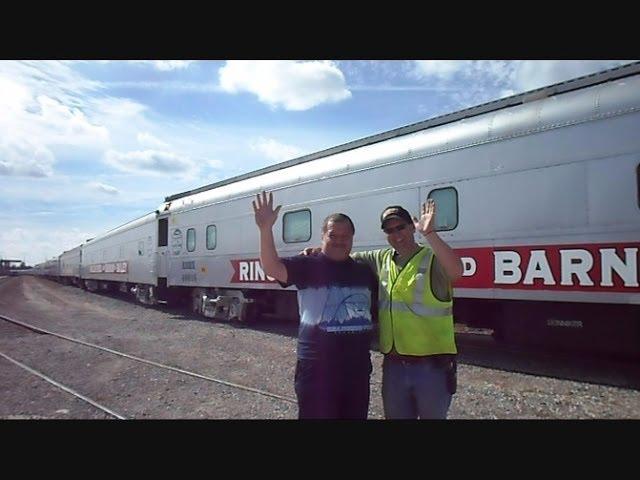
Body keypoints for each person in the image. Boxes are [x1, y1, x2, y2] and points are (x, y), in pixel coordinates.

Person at [305, 198, 463, 419]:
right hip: (394, 367)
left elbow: (457, 271)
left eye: (401, 227)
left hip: (432, 368)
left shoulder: (432, 259)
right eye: (389, 230)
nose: (396, 234)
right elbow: (343, 255)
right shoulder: (380, 258)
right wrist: (321, 251)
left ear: (412, 227)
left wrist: (430, 234)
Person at [252, 190, 378, 419]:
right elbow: (272, 267)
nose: (339, 240)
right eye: (333, 235)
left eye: (345, 236)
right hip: (316, 372)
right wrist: (265, 229)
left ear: (353, 238)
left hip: (356, 373)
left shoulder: (364, 272)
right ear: (322, 236)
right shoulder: (308, 265)